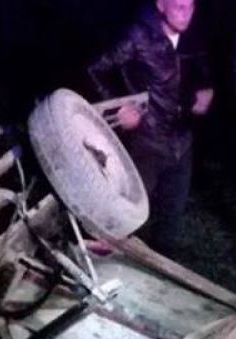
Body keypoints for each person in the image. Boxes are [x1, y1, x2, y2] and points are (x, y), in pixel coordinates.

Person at [87, 0, 214, 254]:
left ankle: (159, 266)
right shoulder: (139, 36)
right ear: (161, 5)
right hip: (147, 142)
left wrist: (206, 89)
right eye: (178, 6)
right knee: (128, 218)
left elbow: (199, 69)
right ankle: (107, 264)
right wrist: (119, 106)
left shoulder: (193, 36)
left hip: (182, 142)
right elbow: (95, 70)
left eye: (191, 6)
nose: (186, 13)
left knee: (171, 218)